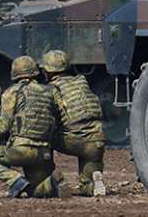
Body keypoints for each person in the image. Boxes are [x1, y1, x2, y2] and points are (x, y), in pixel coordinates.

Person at [0, 55, 68, 198]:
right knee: (36, 191)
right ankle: (52, 182)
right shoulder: (50, 91)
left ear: (14, 73)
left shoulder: (12, 92)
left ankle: (15, 181)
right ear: (34, 72)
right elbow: (61, 117)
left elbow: (4, 126)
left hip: (21, 150)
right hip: (44, 153)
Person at [42, 50, 107, 197]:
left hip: (74, 141)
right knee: (86, 187)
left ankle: (49, 179)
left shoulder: (52, 89)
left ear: (47, 71)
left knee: (42, 136)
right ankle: (94, 182)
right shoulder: (81, 82)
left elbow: (47, 121)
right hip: (97, 141)